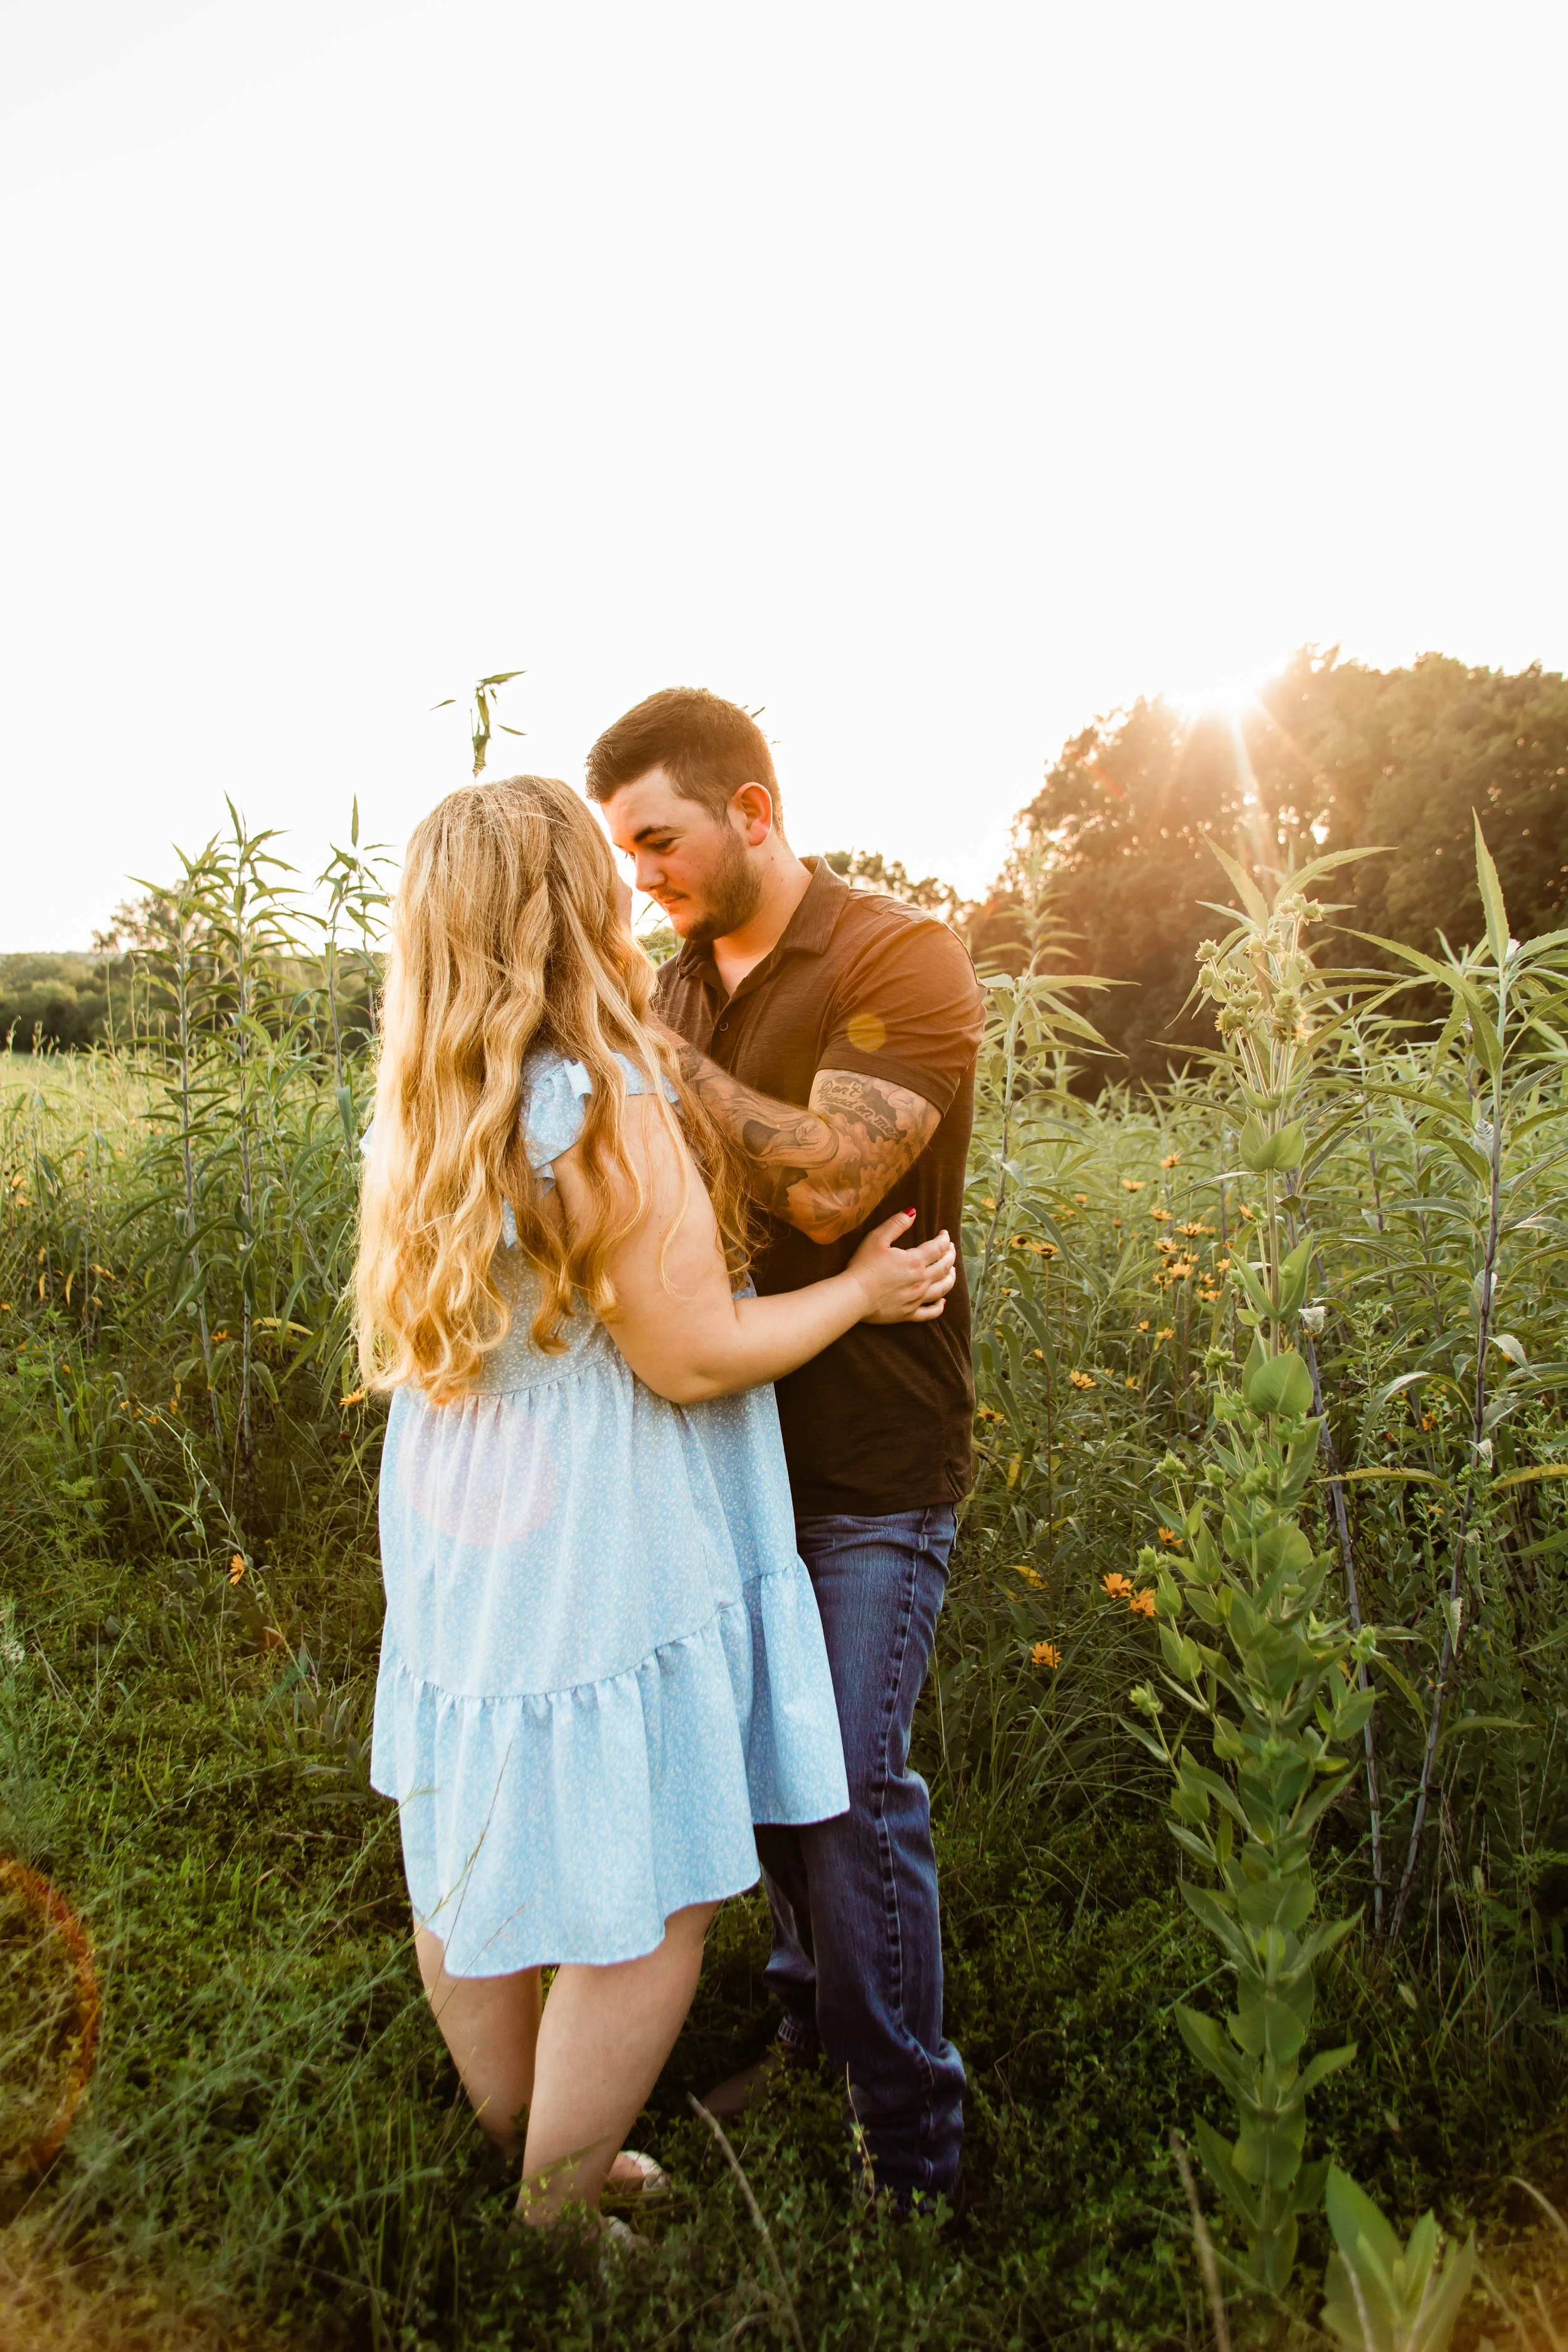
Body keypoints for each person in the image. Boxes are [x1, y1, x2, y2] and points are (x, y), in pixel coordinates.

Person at [354, 774, 957, 2237]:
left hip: (458, 1510)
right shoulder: (596, 1090)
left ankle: (531, 2147)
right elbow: (688, 1357)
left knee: (476, 1828)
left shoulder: (431, 1089)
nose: (630, 892)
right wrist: (865, 1293)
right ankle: (555, 2220)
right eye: (597, 870)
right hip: (589, 1522)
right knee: (653, 1882)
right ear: (559, 906)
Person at [587, 689, 983, 2208]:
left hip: (874, 1452)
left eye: (661, 841)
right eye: (622, 853)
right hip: (725, 1435)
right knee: (767, 1777)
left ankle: (915, 2153)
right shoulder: (679, 982)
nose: (643, 878)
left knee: (851, 1791)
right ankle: (808, 2037)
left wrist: (644, 1055)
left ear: (751, 808)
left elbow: (827, 1192)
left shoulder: (899, 954)